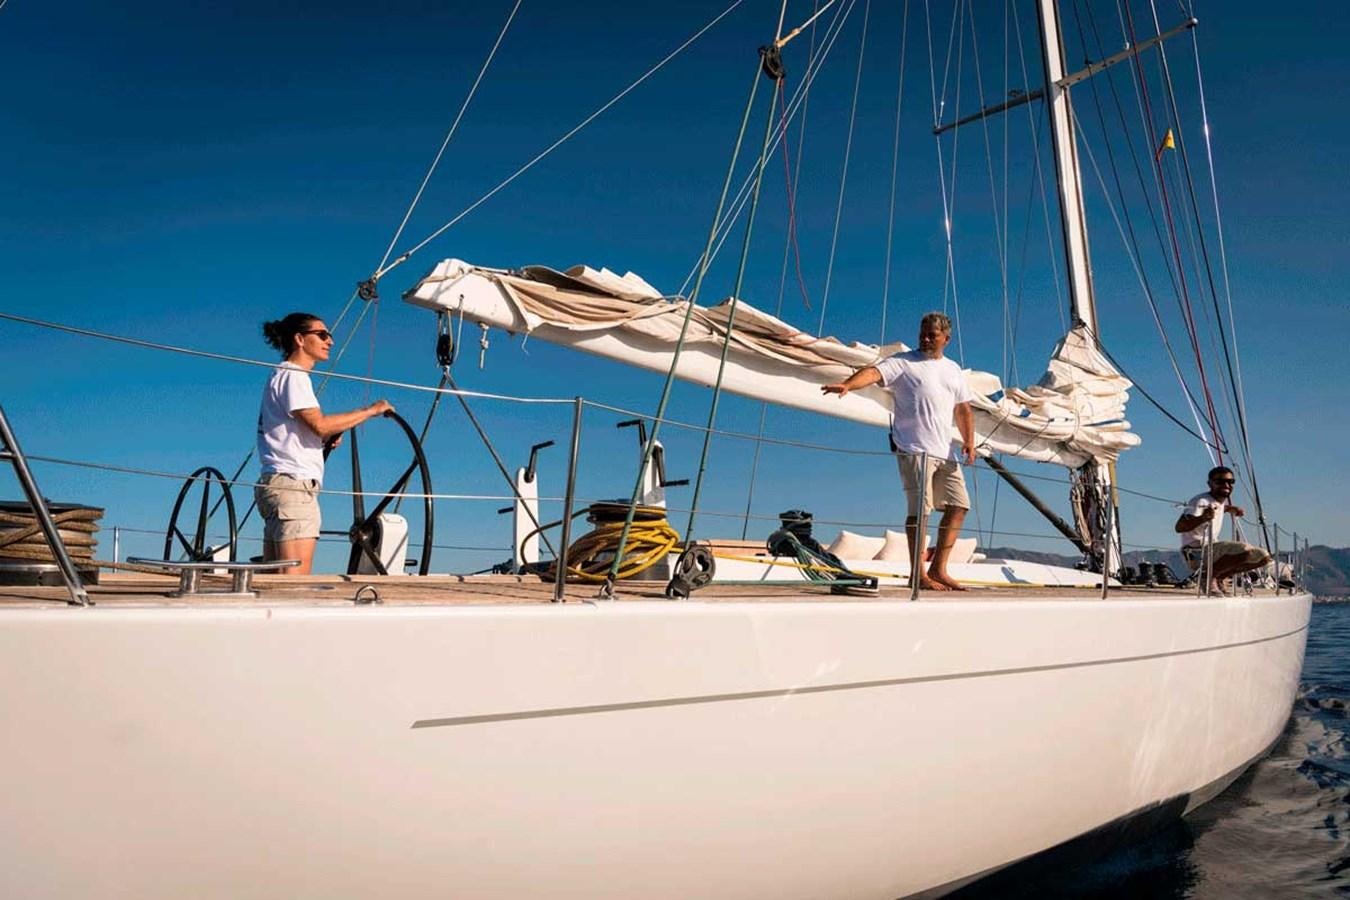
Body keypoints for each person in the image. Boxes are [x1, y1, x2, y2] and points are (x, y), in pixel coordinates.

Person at [821, 312, 976, 591]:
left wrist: (969, 441)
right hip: (915, 448)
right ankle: (918, 574)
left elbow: (963, 408)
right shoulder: (904, 362)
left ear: (946, 339)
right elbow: (873, 372)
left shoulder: (953, 369)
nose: (926, 339)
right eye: (923, 333)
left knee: (959, 506)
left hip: (946, 451)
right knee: (921, 512)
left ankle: (939, 569)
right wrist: (848, 384)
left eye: (932, 335)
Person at [256, 313, 394, 575]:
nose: (329, 341)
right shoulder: (293, 376)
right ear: (299, 339)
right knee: (294, 584)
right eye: (321, 335)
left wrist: (323, 441)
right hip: (293, 489)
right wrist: (371, 411)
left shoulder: (282, 376)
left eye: (329, 335)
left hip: (279, 485)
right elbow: (319, 424)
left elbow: (302, 431)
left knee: (277, 582)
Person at [1174, 465, 1270, 595]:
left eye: (1230, 482)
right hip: (1196, 552)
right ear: (1210, 483)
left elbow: (1219, 507)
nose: (1226, 484)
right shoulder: (1201, 501)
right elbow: (1179, 527)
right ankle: (1207, 578)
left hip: (1210, 550)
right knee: (1245, 551)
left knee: (1263, 557)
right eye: (1220, 481)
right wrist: (1203, 518)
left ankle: (1219, 577)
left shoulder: (1217, 502)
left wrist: (1230, 508)